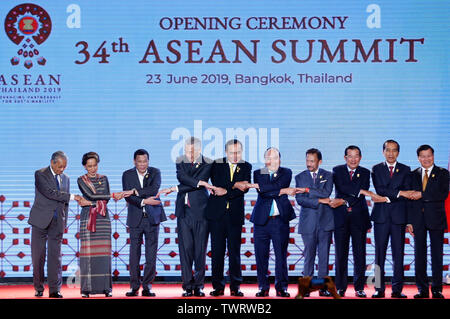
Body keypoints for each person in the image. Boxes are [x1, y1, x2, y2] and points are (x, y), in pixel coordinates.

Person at [158, 137, 213, 297]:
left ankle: (199, 286)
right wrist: (196, 183)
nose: (189, 154)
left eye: (193, 151)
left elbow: (201, 180)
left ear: (199, 149)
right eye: (187, 150)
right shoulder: (180, 160)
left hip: (201, 211)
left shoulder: (208, 162)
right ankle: (187, 286)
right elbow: (183, 178)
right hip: (184, 211)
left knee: (200, 250)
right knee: (185, 249)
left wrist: (175, 188)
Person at [28, 151, 86, 298]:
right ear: (52, 162)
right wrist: (74, 197)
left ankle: (55, 290)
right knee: (38, 256)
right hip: (40, 221)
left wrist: (64, 221)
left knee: (55, 257)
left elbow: (64, 203)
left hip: (57, 222)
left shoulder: (66, 178)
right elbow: (50, 193)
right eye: (60, 166)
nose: (62, 170)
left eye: (64, 167)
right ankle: (39, 288)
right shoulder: (40, 174)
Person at [77, 152, 133, 298]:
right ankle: (86, 290)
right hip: (88, 217)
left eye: (94, 165)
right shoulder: (81, 180)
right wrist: (111, 196)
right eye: (89, 166)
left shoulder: (104, 178)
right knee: (88, 255)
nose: (92, 168)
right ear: (84, 166)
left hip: (102, 218)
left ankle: (105, 289)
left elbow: (102, 200)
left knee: (103, 254)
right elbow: (92, 195)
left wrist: (91, 202)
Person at [206, 139, 252, 297]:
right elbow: (217, 183)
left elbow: (243, 190)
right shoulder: (217, 164)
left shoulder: (246, 166)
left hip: (235, 216)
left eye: (238, 152)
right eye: (232, 152)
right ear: (226, 152)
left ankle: (235, 286)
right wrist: (234, 185)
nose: (235, 155)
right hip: (216, 215)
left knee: (235, 252)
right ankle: (218, 286)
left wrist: (226, 190)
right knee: (217, 252)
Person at [249, 147, 296, 297]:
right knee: (260, 256)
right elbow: (263, 191)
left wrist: (268, 188)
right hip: (261, 221)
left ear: (280, 160)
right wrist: (282, 191)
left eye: (275, 158)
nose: (272, 161)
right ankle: (263, 287)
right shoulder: (258, 173)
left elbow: (271, 187)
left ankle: (281, 287)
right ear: (265, 160)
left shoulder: (286, 172)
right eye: (269, 158)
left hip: (280, 220)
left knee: (281, 255)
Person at [122, 149, 167, 297]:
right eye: (139, 161)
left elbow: (154, 189)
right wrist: (143, 200)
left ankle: (147, 286)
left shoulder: (155, 172)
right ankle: (134, 287)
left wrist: (135, 192)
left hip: (153, 218)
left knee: (151, 255)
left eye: (145, 161)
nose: (142, 164)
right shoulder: (127, 175)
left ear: (148, 161)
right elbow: (127, 197)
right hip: (135, 218)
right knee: (134, 254)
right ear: (134, 161)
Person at [407, 145, 449, 299]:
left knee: (437, 255)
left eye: (429, 155)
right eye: (423, 156)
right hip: (417, 220)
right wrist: (409, 222)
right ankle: (422, 289)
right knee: (420, 255)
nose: (426, 159)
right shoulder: (412, 174)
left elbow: (442, 193)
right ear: (418, 158)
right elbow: (410, 200)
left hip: (436, 219)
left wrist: (422, 194)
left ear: (433, 156)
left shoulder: (443, 173)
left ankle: (437, 289)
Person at [329, 145, 371, 298]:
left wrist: (343, 201)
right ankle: (340, 287)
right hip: (340, 218)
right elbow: (344, 187)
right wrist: (354, 193)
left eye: (356, 156)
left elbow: (362, 191)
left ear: (360, 157)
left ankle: (359, 287)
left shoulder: (366, 173)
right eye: (350, 156)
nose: (353, 159)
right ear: (345, 157)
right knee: (341, 254)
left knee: (360, 254)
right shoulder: (337, 170)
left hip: (359, 218)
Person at [370, 140, 411, 298]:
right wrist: (398, 193)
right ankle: (379, 289)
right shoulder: (376, 169)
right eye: (388, 150)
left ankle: (397, 290)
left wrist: (388, 196)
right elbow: (380, 189)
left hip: (398, 217)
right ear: (383, 152)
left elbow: (406, 191)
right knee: (379, 254)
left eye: (394, 150)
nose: (391, 153)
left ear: (398, 153)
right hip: (381, 217)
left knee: (398, 254)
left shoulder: (406, 169)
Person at [294, 148, 334, 297]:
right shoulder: (299, 177)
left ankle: (323, 287)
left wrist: (306, 189)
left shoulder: (329, 175)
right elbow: (300, 200)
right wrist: (319, 200)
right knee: (309, 255)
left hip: (326, 221)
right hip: (308, 222)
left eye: (312, 161)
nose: (309, 164)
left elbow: (327, 193)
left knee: (324, 256)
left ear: (320, 161)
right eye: (307, 160)